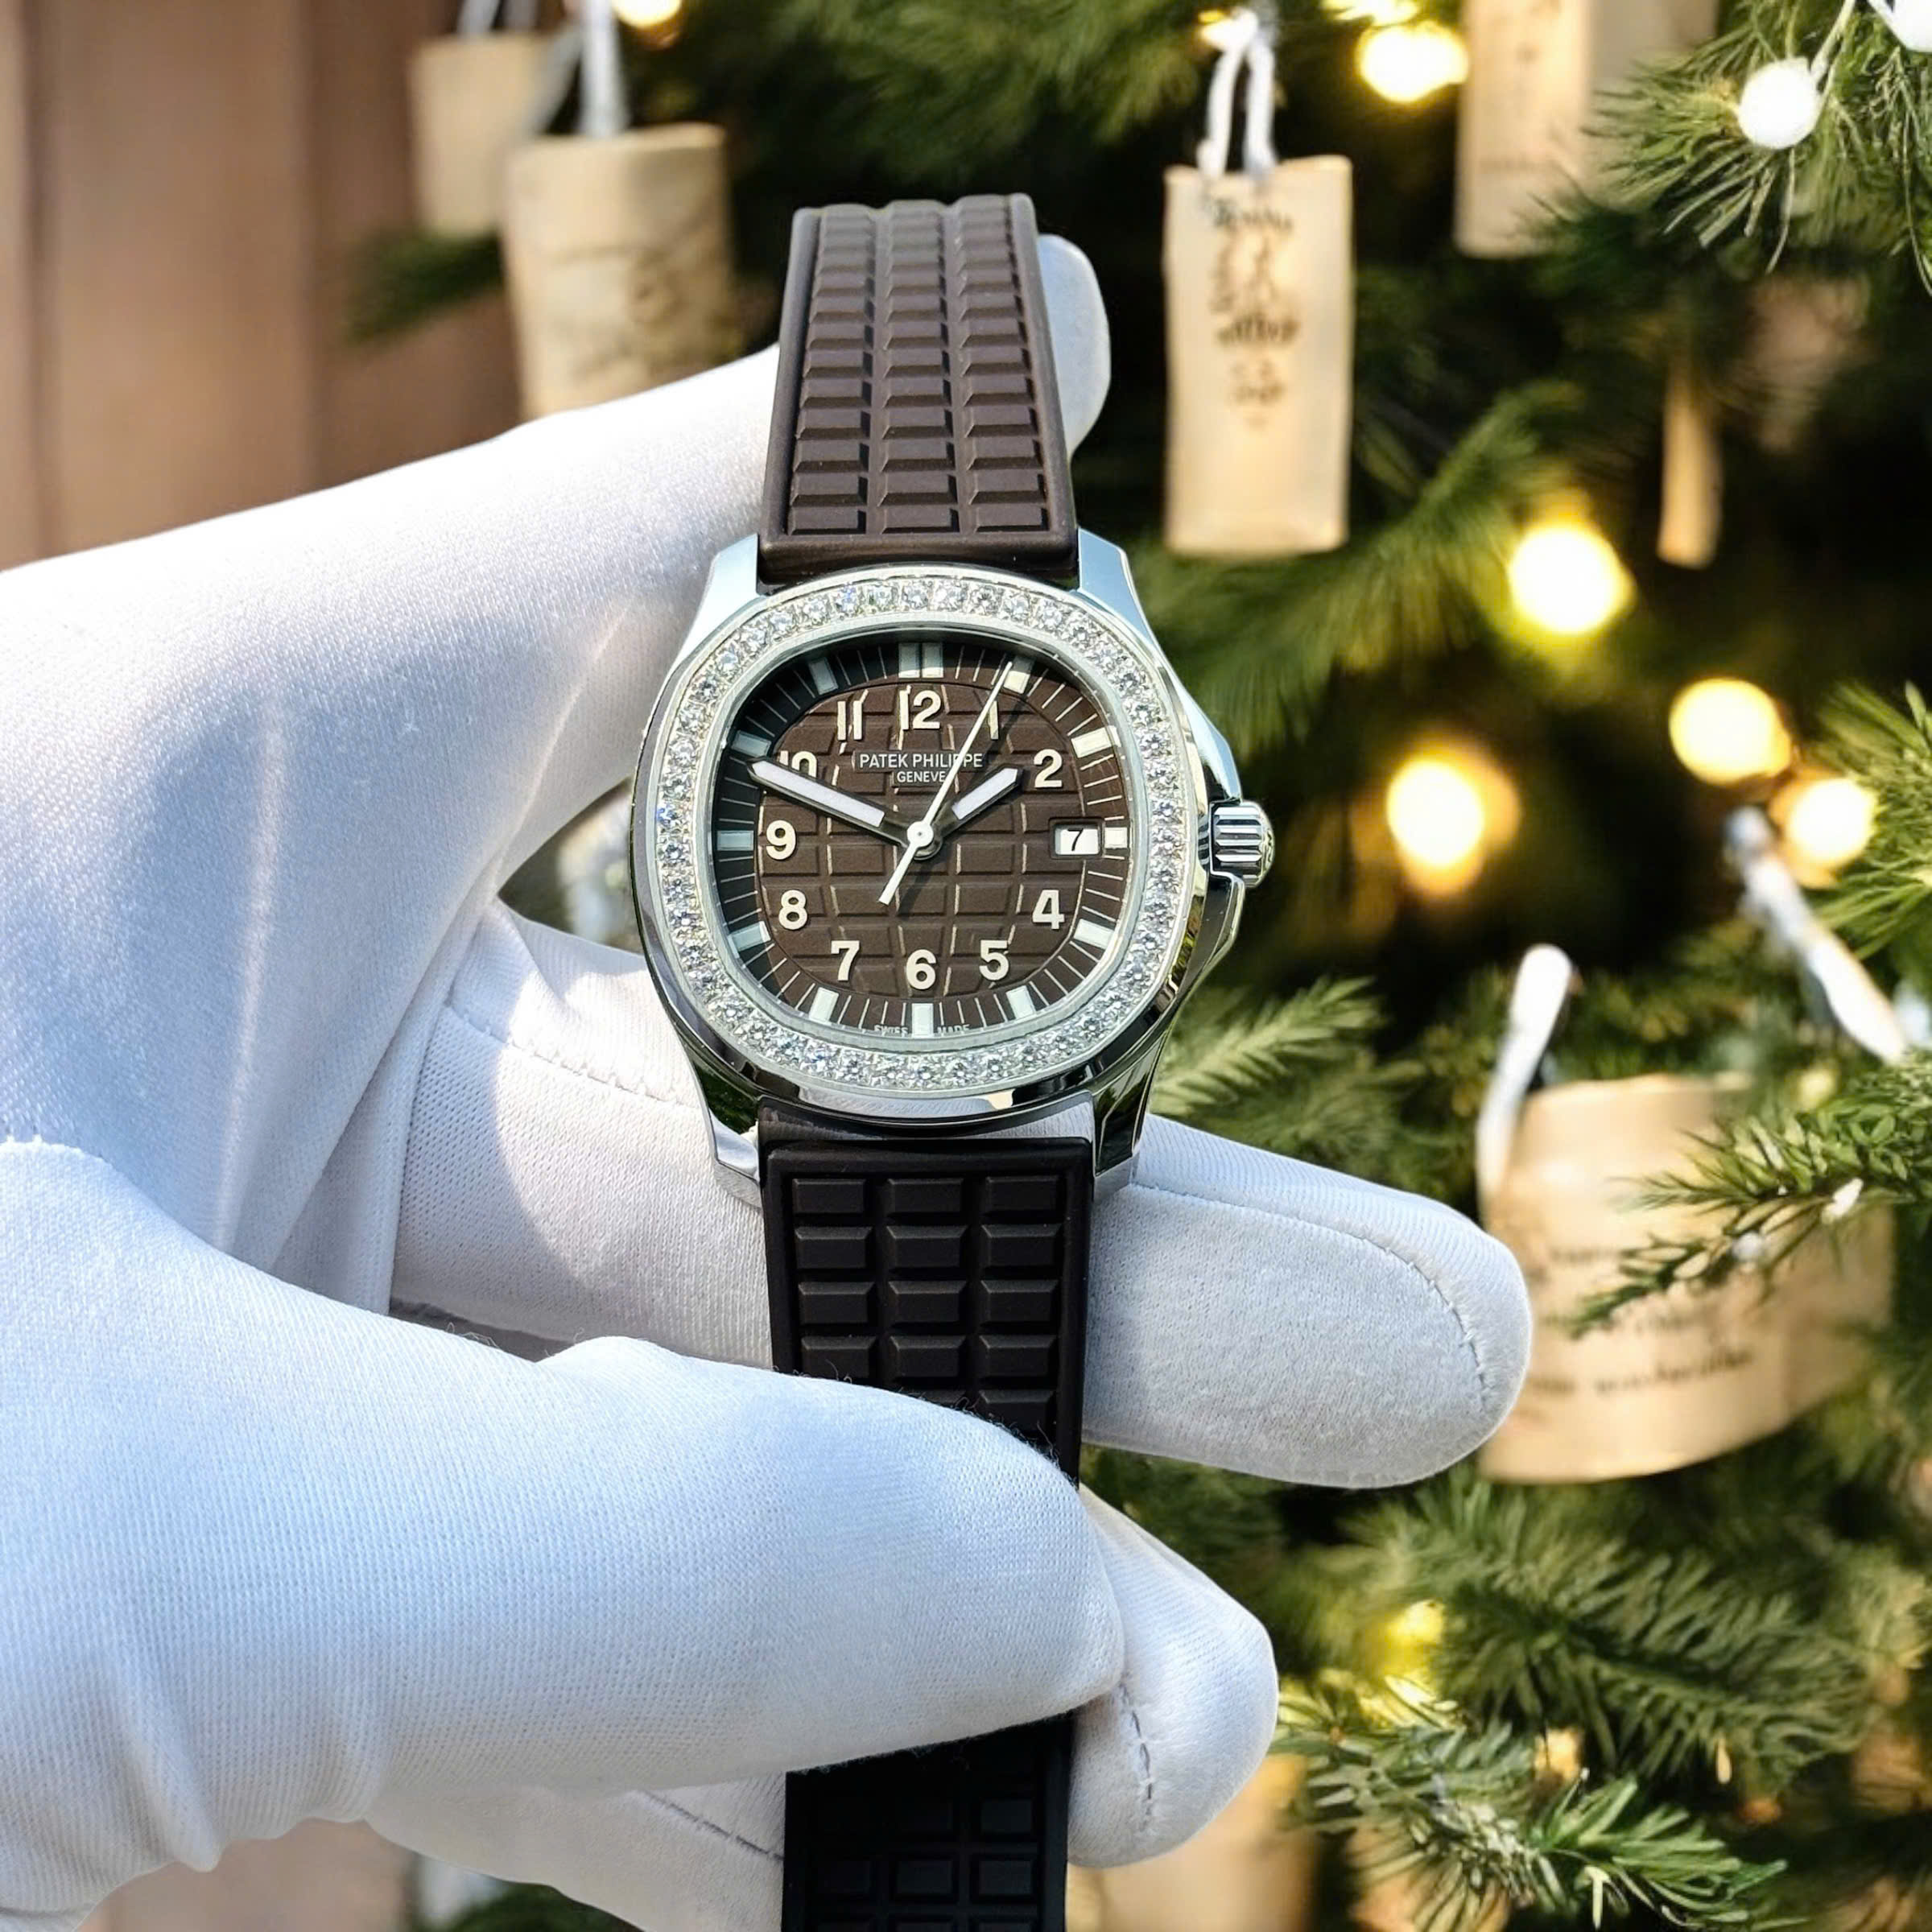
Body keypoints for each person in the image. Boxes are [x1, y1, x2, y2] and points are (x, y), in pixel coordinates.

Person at [0, 235, 1527, 1932]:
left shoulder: (1068, 637)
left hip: (966, 1092)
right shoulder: (858, 659)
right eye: (885, 829)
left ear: (1205, 850)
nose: (920, 848)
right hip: (813, 1102)